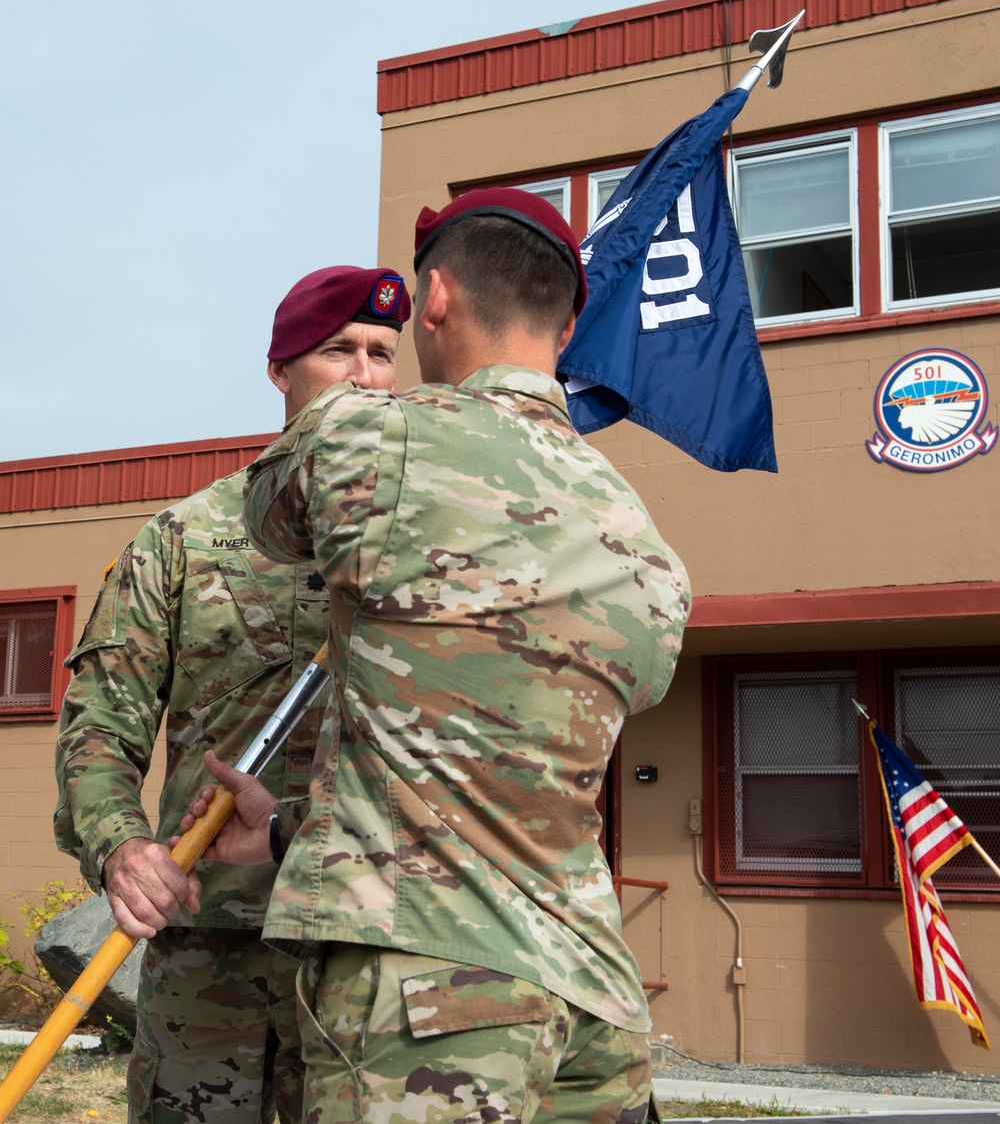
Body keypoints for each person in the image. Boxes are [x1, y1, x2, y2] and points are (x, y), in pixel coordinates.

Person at [187, 188, 691, 1124]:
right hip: (595, 1014)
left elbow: (267, 516)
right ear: (570, 324)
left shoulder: (375, 439)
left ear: (437, 301)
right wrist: (291, 837)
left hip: (427, 1006)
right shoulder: (648, 545)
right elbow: (505, 786)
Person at [54, 265, 410, 1124]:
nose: (365, 374)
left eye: (384, 353)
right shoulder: (180, 541)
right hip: (212, 960)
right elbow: (99, 729)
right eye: (338, 351)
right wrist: (120, 847)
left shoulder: (432, 544)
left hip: (370, 947)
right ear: (280, 371)